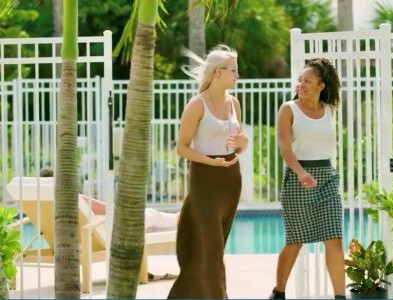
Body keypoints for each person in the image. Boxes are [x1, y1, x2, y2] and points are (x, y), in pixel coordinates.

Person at [168, 44, 248, 299]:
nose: (238, 75)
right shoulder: (197, 104)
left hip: (230, 181)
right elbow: (181, 148)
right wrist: (209, 162)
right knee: (211, 252)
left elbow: (239, 143)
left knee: (210, 252)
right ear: (217, 72)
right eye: (234, 70)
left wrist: (242, 144)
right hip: (205, 180)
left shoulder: (234, 103)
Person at [269, 58, 346, 299]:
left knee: (334, 239)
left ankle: (340, 297)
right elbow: (284, 145)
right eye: (300, 80)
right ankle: (278, 293)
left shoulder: (330, 110)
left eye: (307, 81)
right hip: (297, 178)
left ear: (320, 86)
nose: (301, 85)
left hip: (327, 178)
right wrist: (301, 172)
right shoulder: (288, 109)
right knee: (295, 241)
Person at [39, 167, 179, 232]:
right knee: (151, 215)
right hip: (104, 229)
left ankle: (177, 219)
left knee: (151, 219)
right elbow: (109, 210)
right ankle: (179, 218)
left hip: (90, 230)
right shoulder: (74, 199)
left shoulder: (43, 204)